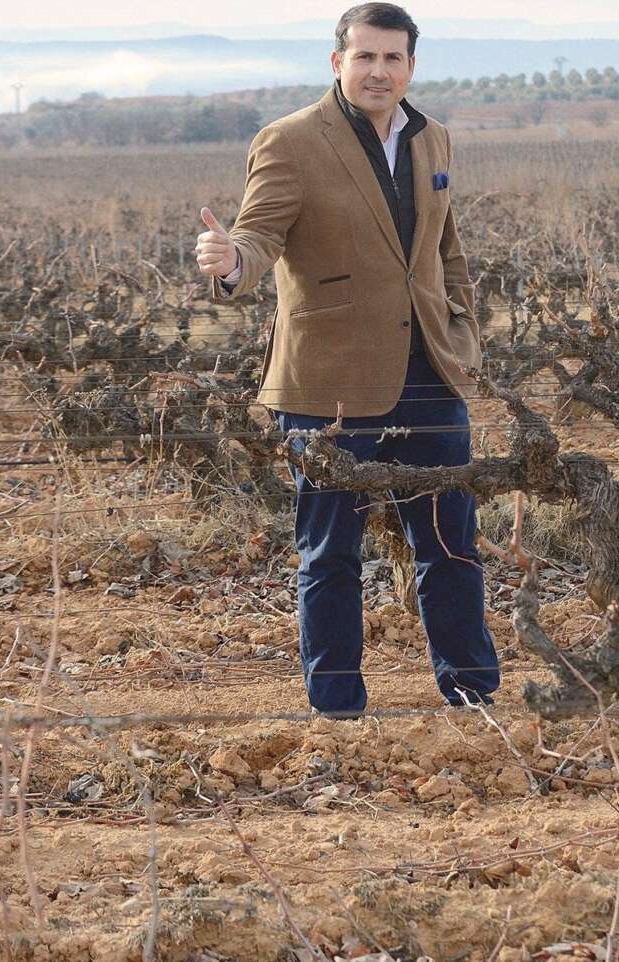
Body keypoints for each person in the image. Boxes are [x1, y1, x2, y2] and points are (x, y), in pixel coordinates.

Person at [194, 2, 498, 718]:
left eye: (393, 58)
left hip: (428, 368)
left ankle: (472, 693)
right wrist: (231, 260)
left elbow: (445, 251)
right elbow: (259, 234)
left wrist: (463, 331)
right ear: (338, 63)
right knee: (330, 552)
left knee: (451, 544)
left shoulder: (434, 139)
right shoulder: (291, 141)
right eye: (365, 56)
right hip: (327, 377)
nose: (378, 70)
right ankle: (336, 705)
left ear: (411, 66)